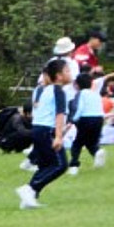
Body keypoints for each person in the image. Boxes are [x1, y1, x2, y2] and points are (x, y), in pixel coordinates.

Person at [18, 57, 73, 208]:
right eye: (67, 71)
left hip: (38, 129)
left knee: (45, 165)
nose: (71, 73)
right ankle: (30, 188)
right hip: (47, 131)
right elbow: (59, 114)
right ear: (59, 76)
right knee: (60, 165)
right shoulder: (58, 90)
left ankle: (29, 198)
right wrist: (58, 136)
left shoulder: (45, 90)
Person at [68, 70, 107, 172]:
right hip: (99, 119)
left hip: (86, 119)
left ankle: (74, 165)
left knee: (77, 143)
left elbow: (80, 108)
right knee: (91, 142)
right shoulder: (96, 94)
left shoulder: (80, 94)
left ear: (77, 85)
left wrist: (73, 119)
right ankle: (97, 152)